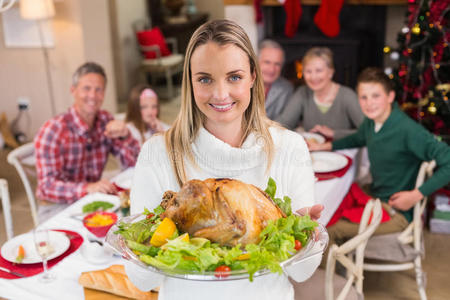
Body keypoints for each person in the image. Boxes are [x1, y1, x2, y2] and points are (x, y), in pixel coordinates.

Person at [127, 20, 324, 300]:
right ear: (190, 81)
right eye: (205, 79)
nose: (221, 94)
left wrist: (306, 237)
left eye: (234, 77)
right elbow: (141, 280)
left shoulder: (289, 147)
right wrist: (147, 236)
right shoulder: (158, 153)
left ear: (253, 77)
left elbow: (302, 272)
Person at [309, 67, 450, 257]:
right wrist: (324, 146)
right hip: (376, 195)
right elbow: (359, 138)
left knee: (327, 230)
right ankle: (338, 265)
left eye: (375, 96)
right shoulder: (372, 122)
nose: (369, 103)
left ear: (390, 97)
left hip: (396, 211)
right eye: (363, 97)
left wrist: (416, 195)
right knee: (328, 206)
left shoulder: (407, 130)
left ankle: (333, 281)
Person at [34, 62, 140, 207]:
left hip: (92, 200)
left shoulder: (105, 121)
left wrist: (126, 136)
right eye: (86, 88)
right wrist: (87, 188)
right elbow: (46, 187)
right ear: (73, 90)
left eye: (99, 89)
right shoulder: (53, 130)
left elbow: (135, 164)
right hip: (56, 207)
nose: (93, 95)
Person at [276, 47, 364, 140]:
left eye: (319, 71)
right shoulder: (303, 93)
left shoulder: (347, 96)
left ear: (330, 72)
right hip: (311, 151)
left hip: (341, 151)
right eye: (308, 71)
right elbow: (284, 122)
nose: (313, 77)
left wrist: (334, 133)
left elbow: (367, 131)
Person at [258, 39, 294, 120]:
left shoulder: (286, 88)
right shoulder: (242, 84)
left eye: (277, 64)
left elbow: (286, 121)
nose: (272, 69)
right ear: (256, 62)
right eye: (267, 62)